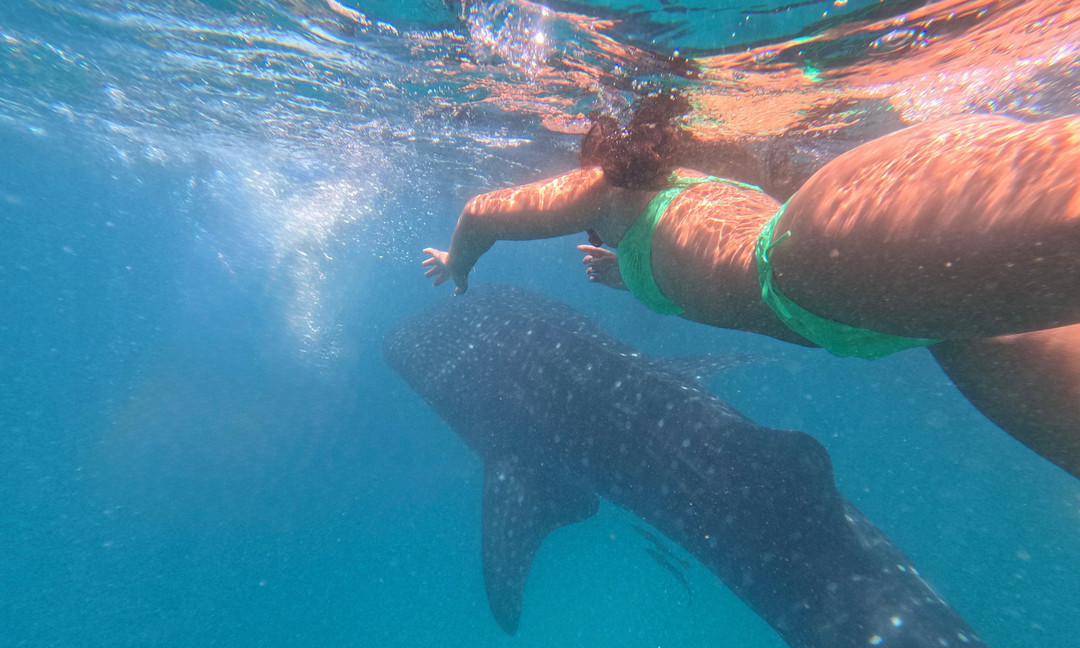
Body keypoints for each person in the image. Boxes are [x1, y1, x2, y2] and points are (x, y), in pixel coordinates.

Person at [421, 94, 1080, 478]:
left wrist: (458, 264)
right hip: (892, 311)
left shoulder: (601, 189)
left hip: (813, 263)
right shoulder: (682, 197)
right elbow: (692, 257)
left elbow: (482, 213)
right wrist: (630, 277)